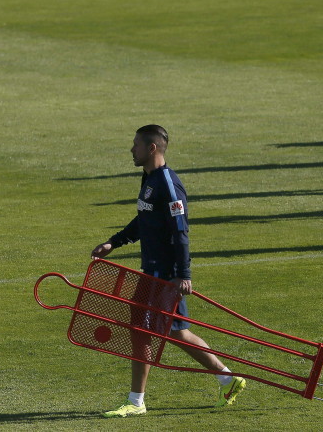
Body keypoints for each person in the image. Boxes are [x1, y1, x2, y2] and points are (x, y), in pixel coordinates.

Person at [90, 125, 246, 418]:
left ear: (152, 148)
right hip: (152, 272)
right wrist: (114, 242)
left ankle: (137, 401)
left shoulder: (168, 184)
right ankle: (227, 379)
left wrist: (183, 274)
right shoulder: (149, 178)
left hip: (164, 275)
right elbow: (144, 219)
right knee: (171, 331)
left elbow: (180, 231)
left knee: (151, 331)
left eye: (136, 144)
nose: (131, 149)